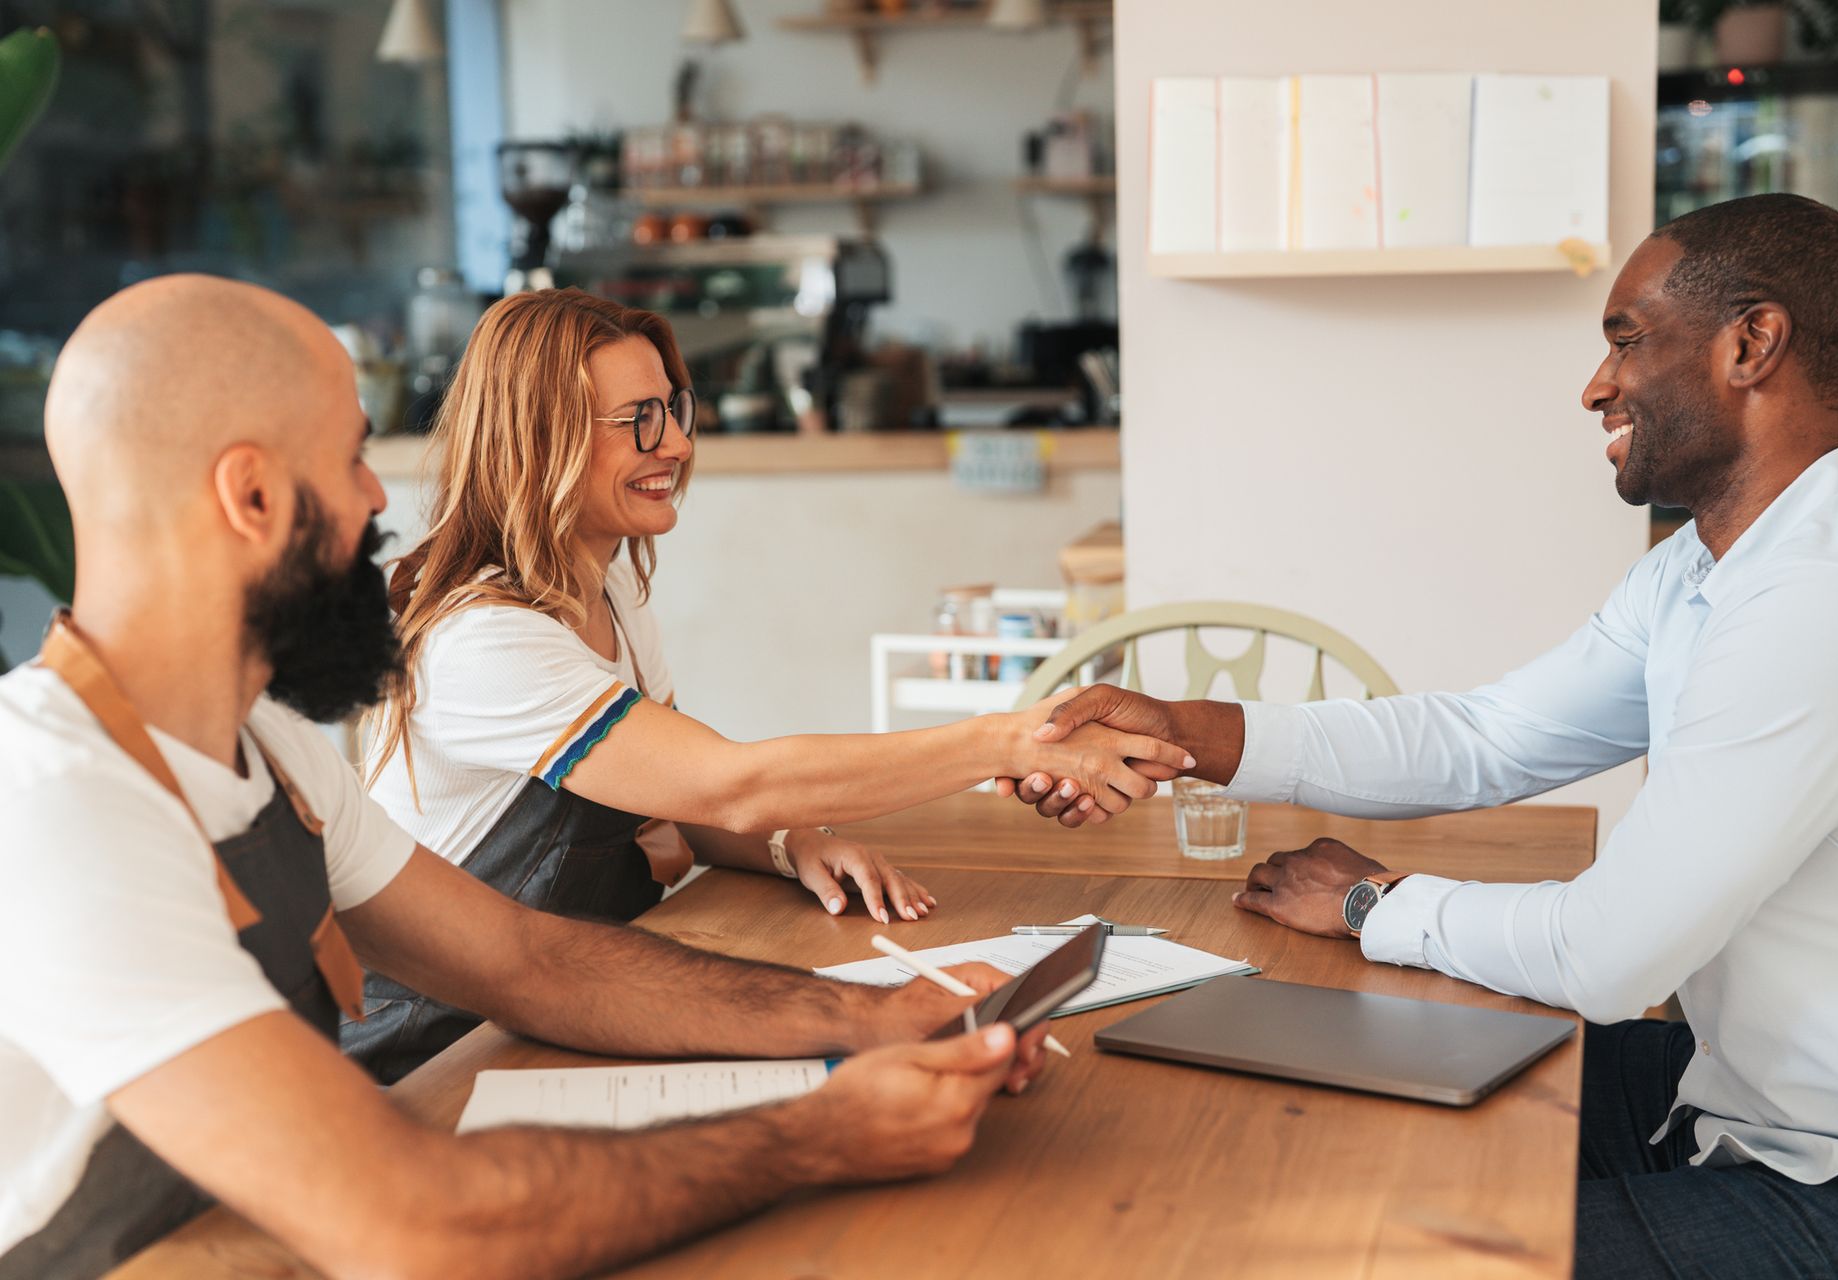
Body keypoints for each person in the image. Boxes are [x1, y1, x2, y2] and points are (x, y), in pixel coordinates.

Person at [0, 274, 1069, 1280]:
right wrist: (819, 1133)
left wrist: (866, 1018)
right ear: (252, 494)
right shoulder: (60, 805)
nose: (380, 498)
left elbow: (528, 961)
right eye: (353, 460)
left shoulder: (269, 755)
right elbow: (423, 1221)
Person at [1007, 195, 1838, 1277]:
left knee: (1371, 1249)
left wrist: (1370, 903)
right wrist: (1186, 729)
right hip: (1725, 1091)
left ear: (1750, 343)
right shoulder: (1708, 570)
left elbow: (1608, 953)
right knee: (1306, 1087)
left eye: (1626, 338)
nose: (1597, 385)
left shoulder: (1822, 603)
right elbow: (1486, 735)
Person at [350, 287, 1190, 1082]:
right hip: (431, 1050)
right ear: (540, 440)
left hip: (559, 1011)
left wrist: (794, 843)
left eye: (672, 410)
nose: (675, 446)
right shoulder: (485, 639)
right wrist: (1005, 739)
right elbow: (733, 784)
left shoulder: (606, 590)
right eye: (638, 422)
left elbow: (679, 801)